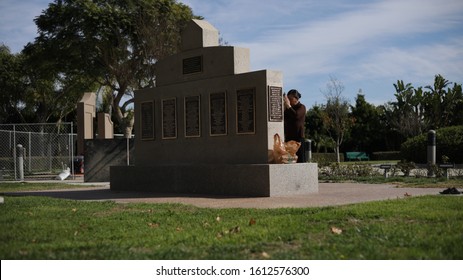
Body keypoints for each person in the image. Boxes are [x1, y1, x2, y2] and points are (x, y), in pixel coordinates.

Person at [283, 89, 307, 162]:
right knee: (289, 160)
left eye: (290, 99)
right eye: (288, 99)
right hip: (289, 138)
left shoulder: (302, 107)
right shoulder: (288, 109)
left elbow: (296, 116)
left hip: (298, 138)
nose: (289, 100)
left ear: (296, 98)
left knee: (300, 160)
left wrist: (288, 106)